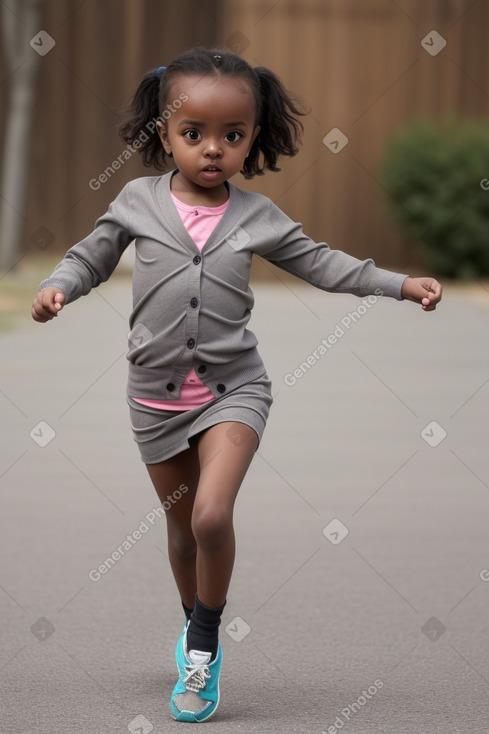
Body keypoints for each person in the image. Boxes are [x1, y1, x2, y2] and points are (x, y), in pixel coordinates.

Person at [31, 46, 442, 722]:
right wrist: (56, 289)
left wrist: (398, 284)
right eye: (193, 134)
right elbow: (90, 257)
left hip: (233, 391)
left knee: (211, 515)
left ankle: (200, 652)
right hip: (155, 399)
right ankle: (197, 624)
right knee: (182, 535)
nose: (212, 149)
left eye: (232, 135)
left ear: (254, 136)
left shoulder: (256, 216)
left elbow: (322, 264)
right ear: (163, 132)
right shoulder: (137, 201)